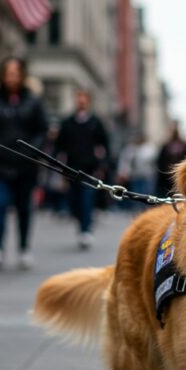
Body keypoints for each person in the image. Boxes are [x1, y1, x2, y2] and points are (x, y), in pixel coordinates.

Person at [0, 57, 48, 269]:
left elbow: (42, 130)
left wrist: (31, 149)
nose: (12, 77)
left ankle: (24, 248)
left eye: (16, 73)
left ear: (23, 75)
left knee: (24, 208)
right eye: (8, 73)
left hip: (25, 166)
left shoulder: (33, 102)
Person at [55, 89, 110, 250]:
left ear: (88, 101)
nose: (81, 101)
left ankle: (86, 230)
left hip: (89, 170)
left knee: (87, 200)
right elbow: (60, 147)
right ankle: (81, 224)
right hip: (71, 170)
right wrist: (60, 170)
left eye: (84, 98)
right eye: (78, 98)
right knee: (75, 201)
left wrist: (102, 166)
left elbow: (104, 146)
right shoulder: (67, 123)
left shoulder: (95, 123)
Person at [115, 132, 156, 211]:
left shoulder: (148, 149)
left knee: (146, 192)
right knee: (135, 192)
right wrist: (123, 172)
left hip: (146, 175)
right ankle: (136, 208)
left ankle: (145, 208)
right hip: (135, 175)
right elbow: (125, 161)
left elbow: (149, 159)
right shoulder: (130, 149)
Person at [155, 121, 186, 197]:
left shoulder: (184, 145)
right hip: (166, 178)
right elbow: (160, 161)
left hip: (178, 177)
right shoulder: (165, 146)